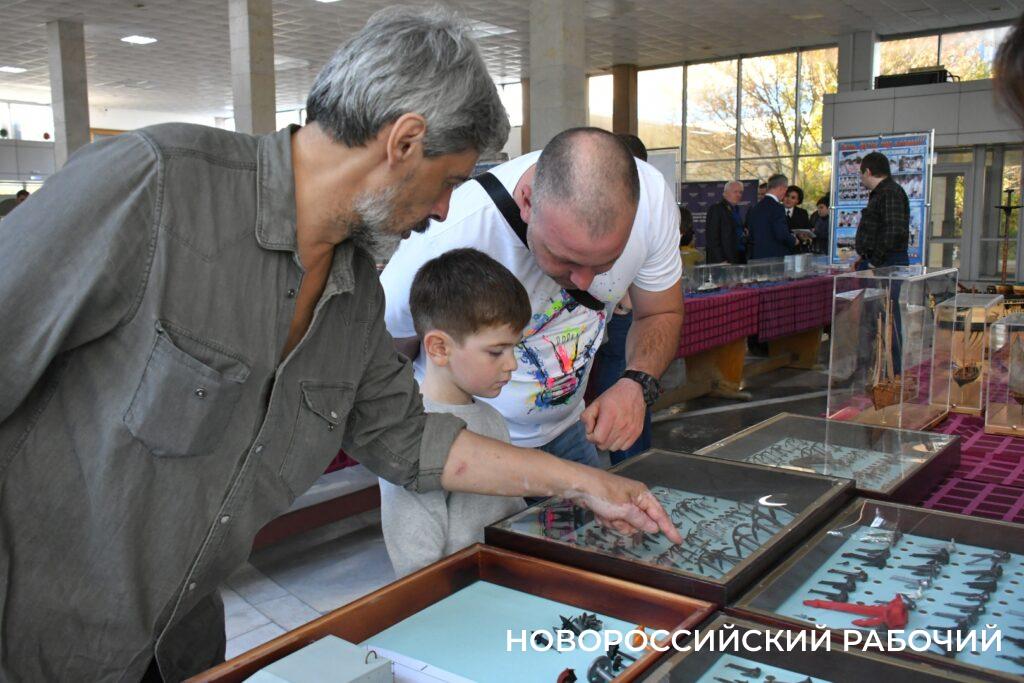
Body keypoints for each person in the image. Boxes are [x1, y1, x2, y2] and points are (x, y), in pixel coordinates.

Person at [0, 9, 678, 682]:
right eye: (448, 181)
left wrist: (589, 483)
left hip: (179, 649)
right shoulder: (155, 187)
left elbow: (413, 441)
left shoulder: (354, 298)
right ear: (404, 142)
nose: (446, 209)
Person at [382, 127, 684, 471]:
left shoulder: (651, 202)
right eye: (566, 259)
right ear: (527, 203)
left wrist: (637, 382)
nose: (585, 281)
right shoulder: (444, 239)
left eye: (605, 263)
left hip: (571, 431)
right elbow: (386, 357)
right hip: (469, 439)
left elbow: (660, 312)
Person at [380, 249, 528, 578]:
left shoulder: (491, 418)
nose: (512, 364)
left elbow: (512, 514)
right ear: (439, 348)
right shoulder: (409, 436)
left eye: (515, 348)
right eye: (496, 351)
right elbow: (417, 564)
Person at [854, 152, 910, 270]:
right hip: (876, 259)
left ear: (868, 172)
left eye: (861, 173)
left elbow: (893, 231)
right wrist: (863, 256)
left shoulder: (889, 192)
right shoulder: (880, 192)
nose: (861, 177)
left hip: (886, 262)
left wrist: (874, 263)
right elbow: (875, 228)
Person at [746, 173, 799, 259]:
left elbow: (750, 234)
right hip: (774, 258)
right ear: (782, 188)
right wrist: (794, 240)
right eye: (785, 190)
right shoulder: (777, 207)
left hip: (756, 256)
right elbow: (781, 233)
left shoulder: (754, 208)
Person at [704, 180, 745, 264]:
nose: (738, 195)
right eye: (735, 192)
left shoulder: (736, 209)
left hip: (738, 258)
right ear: (725, 193)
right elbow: (712, 238)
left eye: (740, 192)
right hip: (724, 261)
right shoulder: (716, 209)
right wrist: (720, 260)